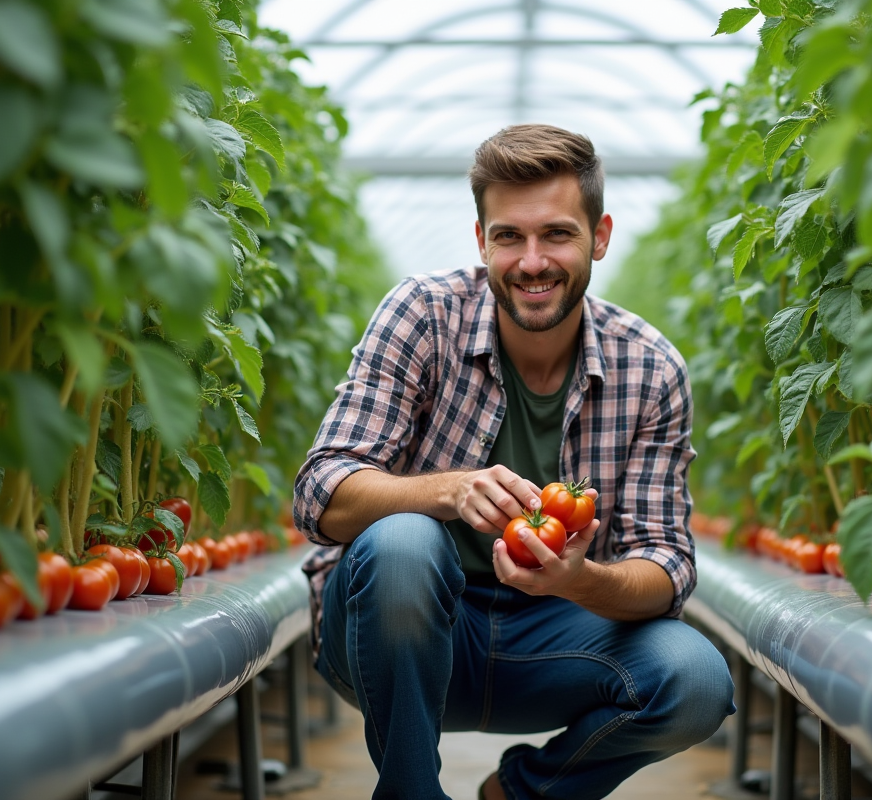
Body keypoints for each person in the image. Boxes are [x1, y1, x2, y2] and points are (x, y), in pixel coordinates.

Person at [292, 123, 734, 800]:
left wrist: (578, 579)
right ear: (481, 241)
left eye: (557, 233)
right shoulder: (423, 314)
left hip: (557, 642)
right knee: (407, 541)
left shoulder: (650, 366)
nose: (532, 261)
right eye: (509, 237)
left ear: (601, 236)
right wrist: (446, 492)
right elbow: (320, 493)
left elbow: (667, 565)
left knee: (695, 682)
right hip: (399, 634)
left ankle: (521, 794)